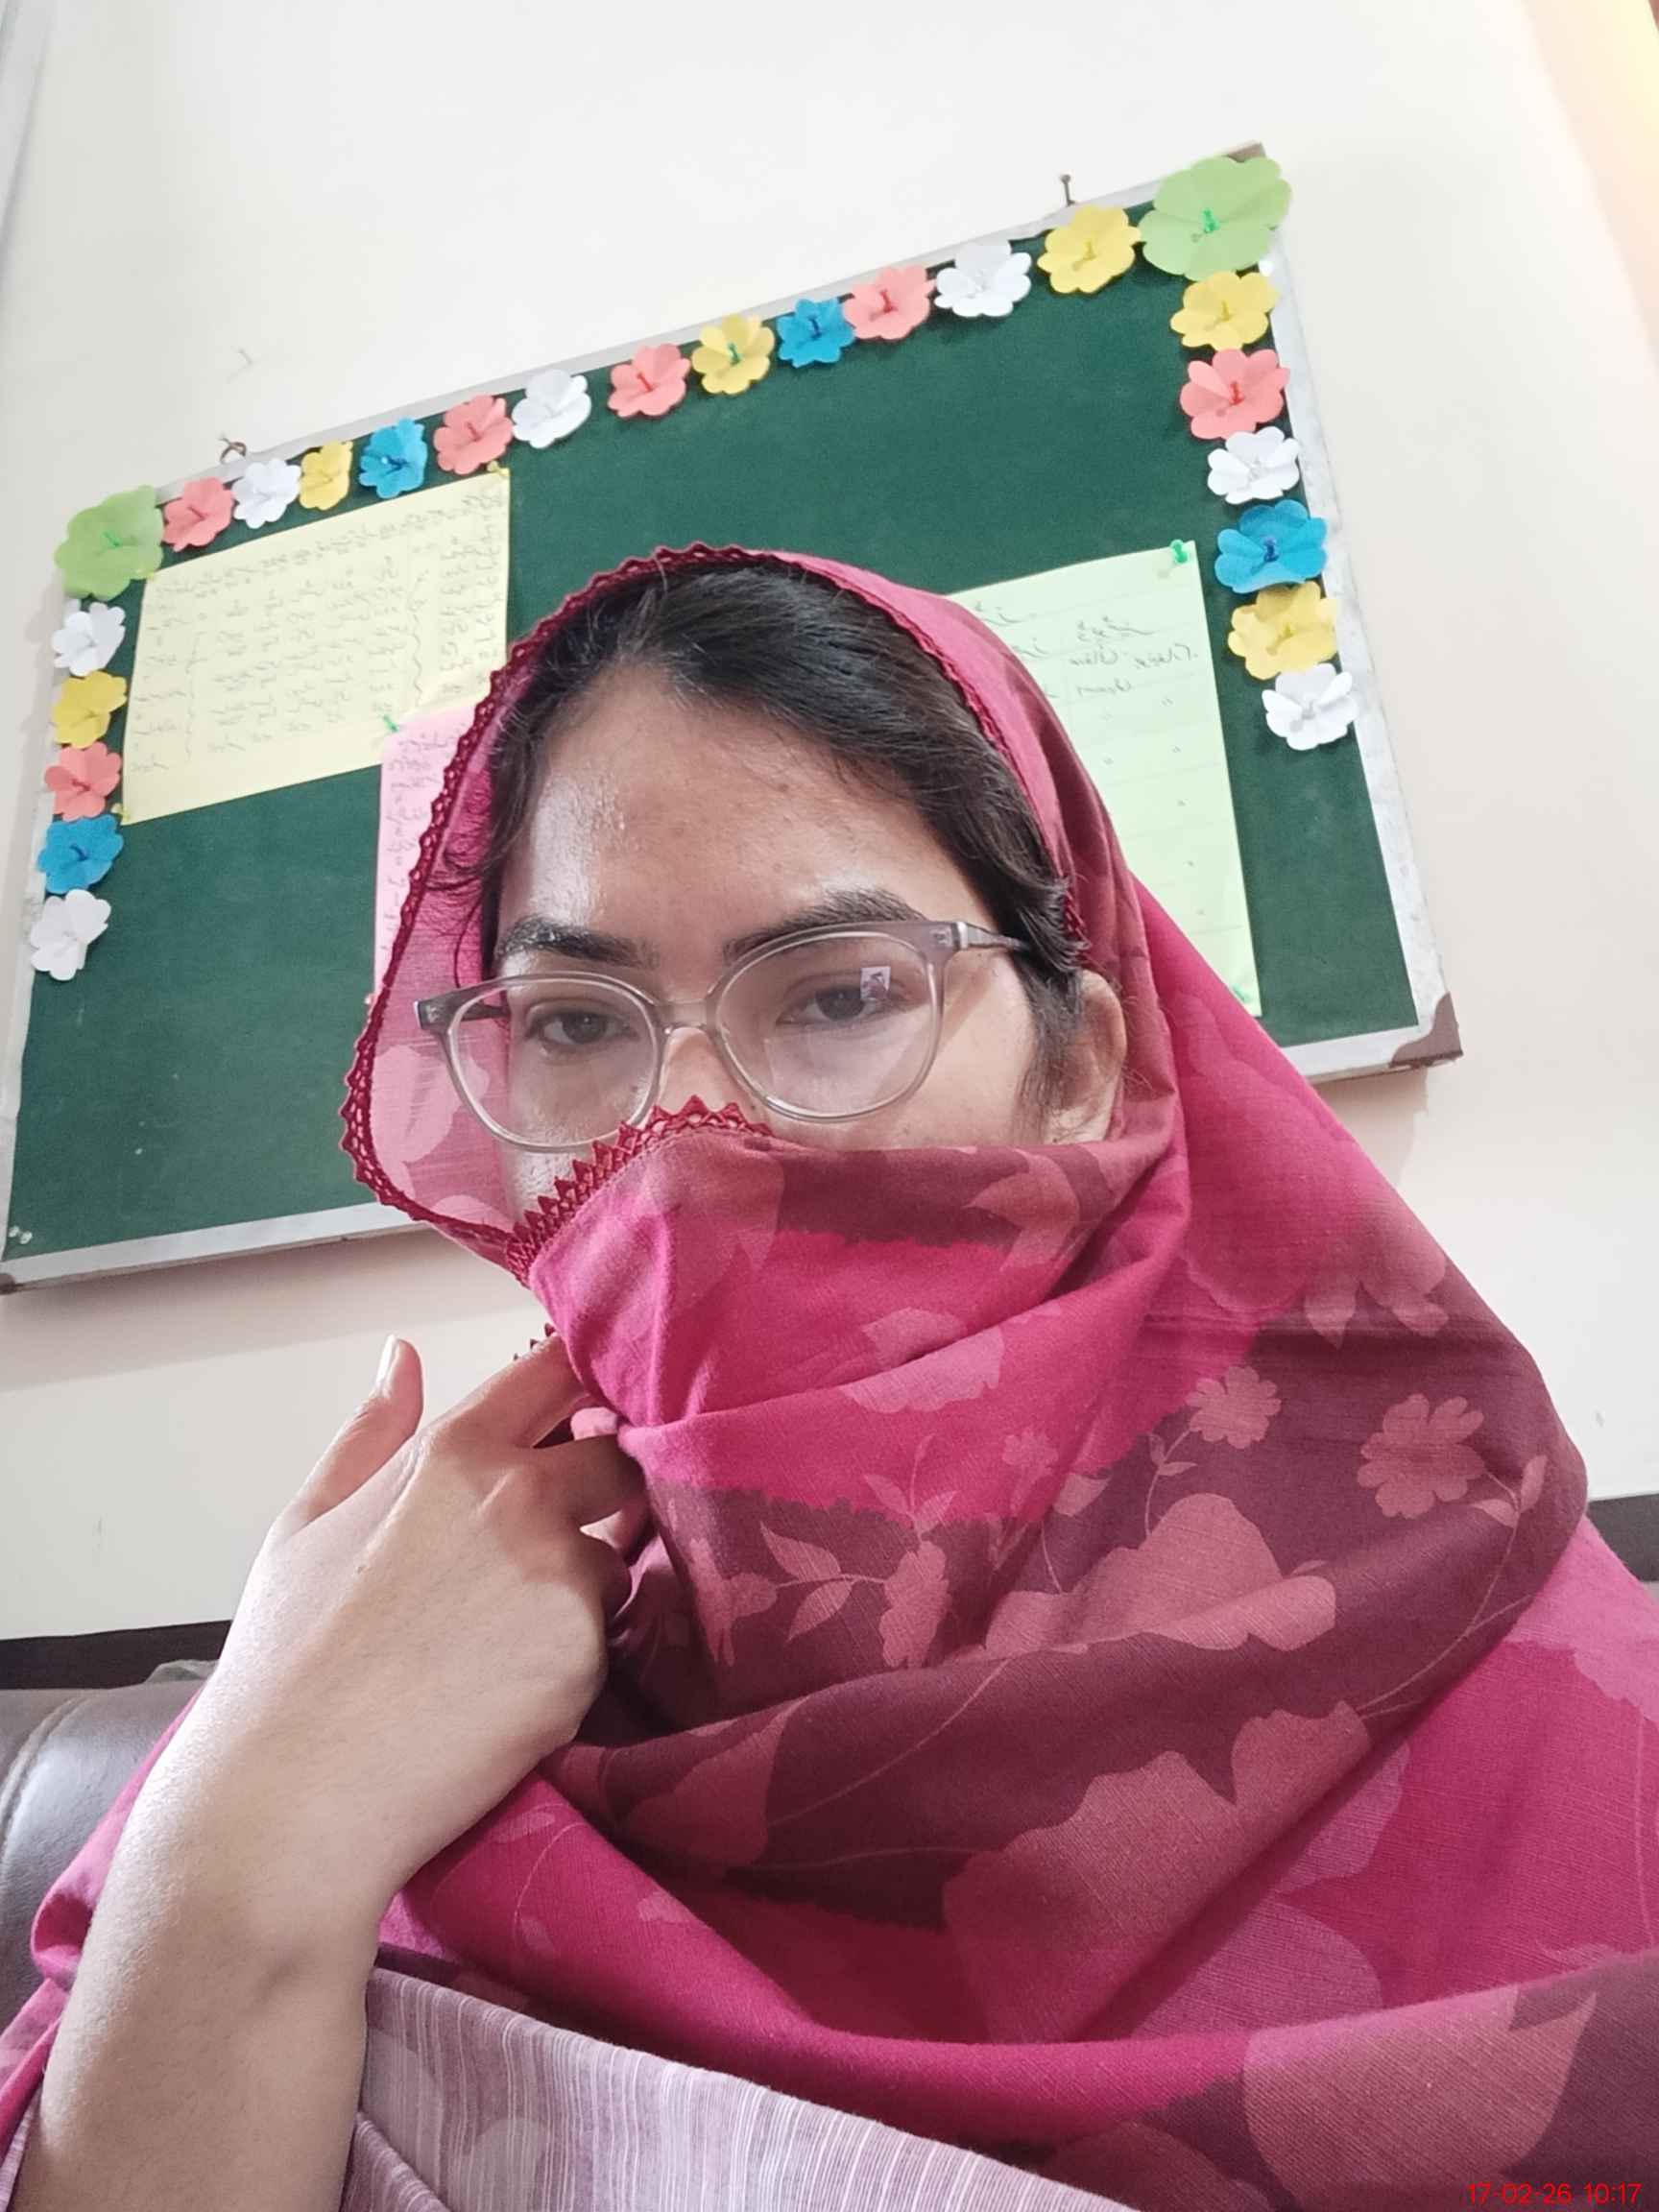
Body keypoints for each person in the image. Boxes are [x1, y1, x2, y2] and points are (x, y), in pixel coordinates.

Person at [2, 542, 1655, 2211]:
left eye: (841, 995)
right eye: (576, 1022)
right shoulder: (381, 1648)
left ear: (1079, 1062)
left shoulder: (1494, 1650)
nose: (685, 1135)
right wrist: (254, 1824)